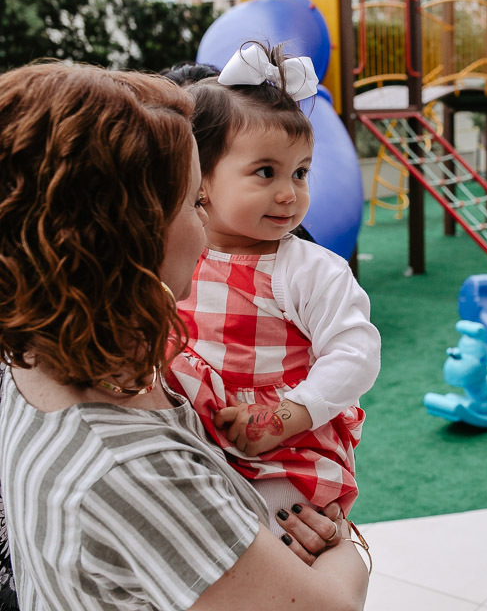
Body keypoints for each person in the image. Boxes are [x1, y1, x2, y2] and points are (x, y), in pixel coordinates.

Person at [0, 62, 368, 610]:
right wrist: (349, 548)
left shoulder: (35, 360)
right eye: (196, 201)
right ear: (131, 234)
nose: (208, 227)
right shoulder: (130, 469)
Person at [164, 42, 381, 536]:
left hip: (284, 450)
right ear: (200, 178)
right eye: (266, 172)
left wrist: (289, 414)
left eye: (300, 173)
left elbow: (355, 351)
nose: (290, 194)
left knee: (270, 532)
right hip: (200, 437)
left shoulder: (306, 268)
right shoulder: (181, 252)